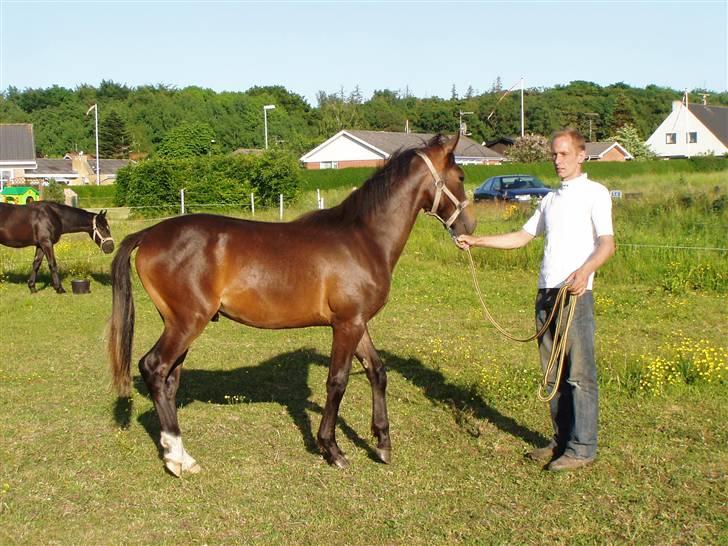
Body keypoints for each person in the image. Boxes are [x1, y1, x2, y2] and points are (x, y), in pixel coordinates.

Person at [456, 128, 615, 471]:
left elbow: (606, 243)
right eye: (554, 155)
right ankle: (561, 441)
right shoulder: (550, 200)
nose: (557, 160)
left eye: (563, 154)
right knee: (553, 375)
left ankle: (582, 447)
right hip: (546, 294)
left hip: (575, 294)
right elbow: (521, 237)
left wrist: (586, 271)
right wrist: (477, 241)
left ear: (581, 155)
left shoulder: (595, 194)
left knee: (579, 375)